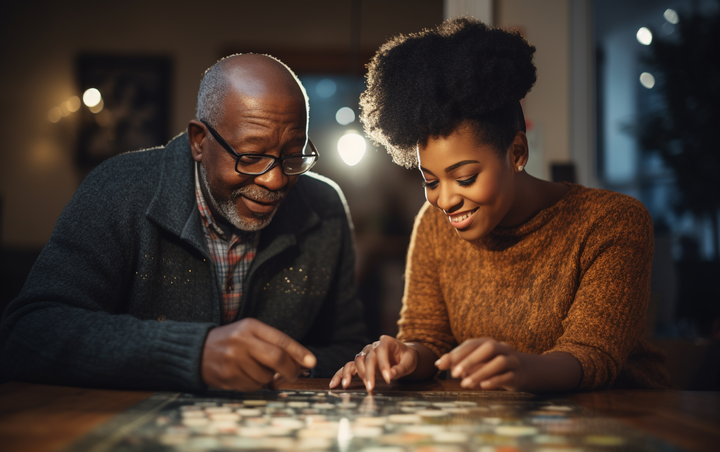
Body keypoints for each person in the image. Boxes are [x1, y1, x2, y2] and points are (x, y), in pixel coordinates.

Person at [330, 18, 672, 393]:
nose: (444, 200)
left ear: (517, 153)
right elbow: (429, 337)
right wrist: (407, 354)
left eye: (465, 178)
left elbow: (592, 355)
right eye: (430, 181)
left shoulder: (611, 222)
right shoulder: (433, 224)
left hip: (619, 418)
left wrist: (523, 369)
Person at [0, 54, 368, 391]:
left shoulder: (325, 206)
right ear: (198, 141)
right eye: (252, 156)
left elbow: (347, 347)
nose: (275, 180)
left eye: (293, 156)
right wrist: (193, 352)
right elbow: (27, 334)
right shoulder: (118, 189)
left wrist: (281, 366)